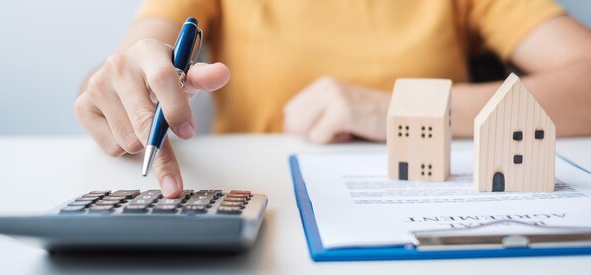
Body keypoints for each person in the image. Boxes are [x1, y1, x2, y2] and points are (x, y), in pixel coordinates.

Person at [75, 0, 591, 198]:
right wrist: (118, 90)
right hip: (260, 201)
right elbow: (127, 66)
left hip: (427, 203)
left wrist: (400, 109)